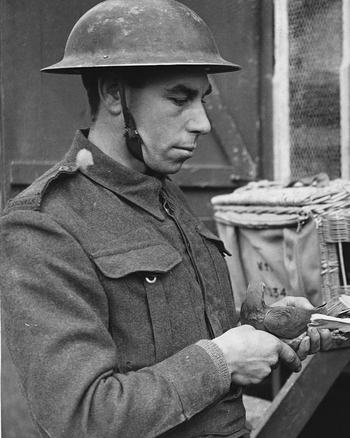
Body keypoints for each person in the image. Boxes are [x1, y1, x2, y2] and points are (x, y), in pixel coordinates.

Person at [0, 1, 332, 437]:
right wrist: (223, 359)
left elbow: (166, 339)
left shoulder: (161, 191)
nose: (202, 123)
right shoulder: (44, 225)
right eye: (180, 98)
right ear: (114, 94)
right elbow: (81, 417)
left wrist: (261, 331)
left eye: (203, 100)